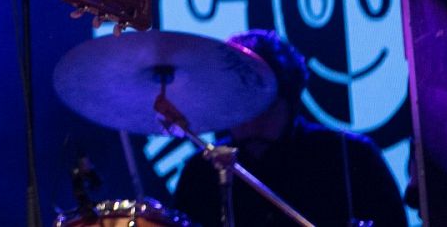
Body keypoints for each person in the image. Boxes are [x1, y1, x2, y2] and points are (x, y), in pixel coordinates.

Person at [172, 30, 409, 227]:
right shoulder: (201, 173)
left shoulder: (350, 157)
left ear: (287, 94)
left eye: (253, 95)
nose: (242, 110)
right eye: (232, 96)